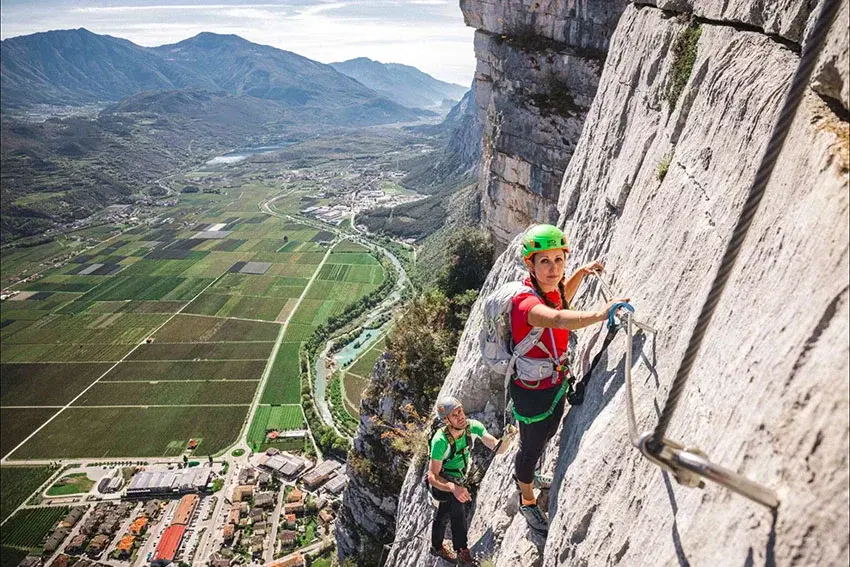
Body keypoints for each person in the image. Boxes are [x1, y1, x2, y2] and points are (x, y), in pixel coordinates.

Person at [511, 223, 628, 535]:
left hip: (551, 383)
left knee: (547, 432)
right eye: (544, 261)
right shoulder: (526, 304)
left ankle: (528, 474)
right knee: (530, 448)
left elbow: (562, 297)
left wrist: (581, 273)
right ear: (530, 265)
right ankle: (526, 498)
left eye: (559, 260)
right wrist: (601, 314)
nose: (554, 269)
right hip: (532, 393)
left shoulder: (548, 289)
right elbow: (559, 318)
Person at [427, 396, 510, 565]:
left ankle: (436, 546)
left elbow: (497, 448)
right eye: (455, 415)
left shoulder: (472, 427)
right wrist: (453, 488)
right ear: (446, 420)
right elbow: (432, 476)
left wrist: (508, 438)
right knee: (457, 503)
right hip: (440, 483)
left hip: (457, 478)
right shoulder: (440, 441)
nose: (461, 416)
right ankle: (461, 551)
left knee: (444, 512)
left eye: (460, 411)